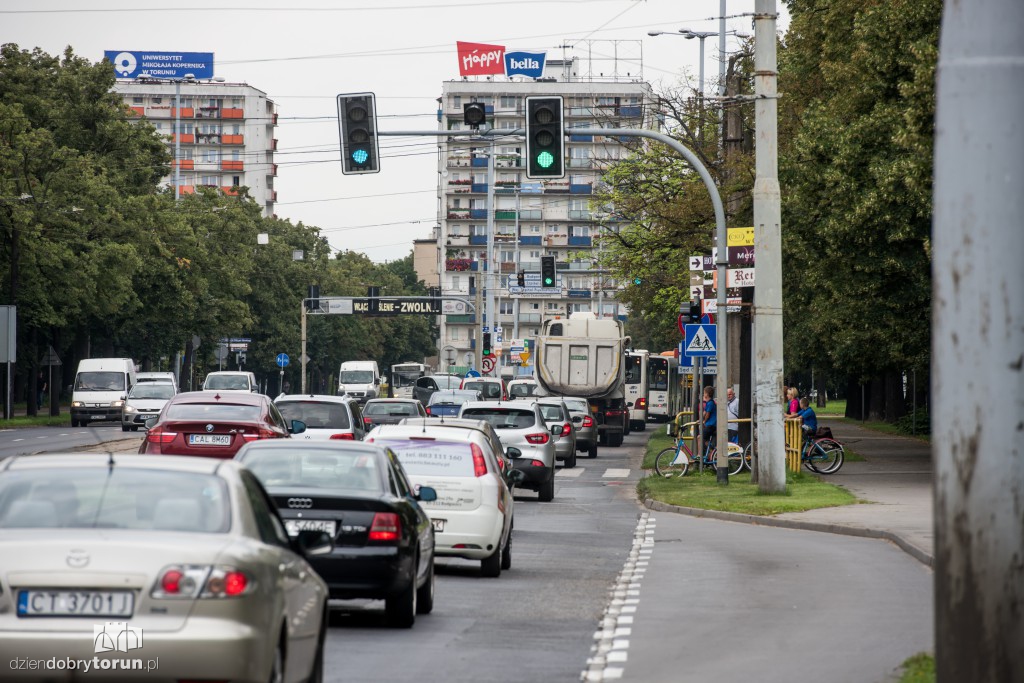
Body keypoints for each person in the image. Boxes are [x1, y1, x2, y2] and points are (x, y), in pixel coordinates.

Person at [701, 385, 717, 455]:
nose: (703, 394)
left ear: (707, 394)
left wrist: (704, 421)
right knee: (704, 439)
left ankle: (708, 453)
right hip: (709, 425)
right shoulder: (709, 402)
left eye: (704, 393)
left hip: (711, 425)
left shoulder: (710, 403)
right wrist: (700, 420)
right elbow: (704, 412)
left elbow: (707, 414)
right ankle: (711, 452)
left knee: (701, 438)